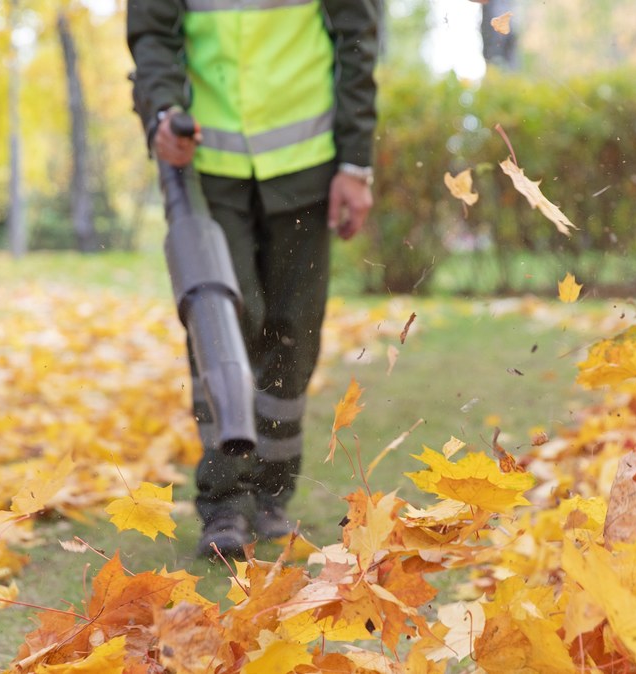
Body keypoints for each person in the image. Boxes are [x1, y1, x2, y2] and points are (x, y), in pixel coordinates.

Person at [127, 0, 380, 557]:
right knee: (224, 322)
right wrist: (162, 111)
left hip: (308, 164)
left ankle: (271, 493)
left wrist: (355, 163)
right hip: (208, 167)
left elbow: (356, 38)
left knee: (291, 334)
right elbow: (152, 34)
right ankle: (224, 502)